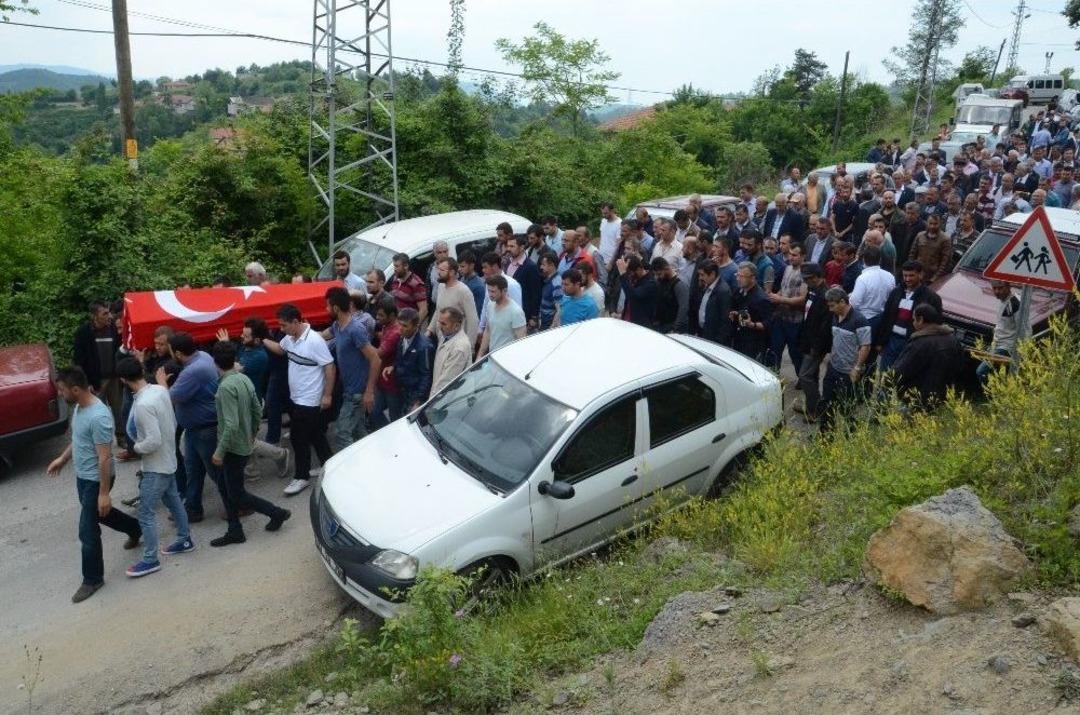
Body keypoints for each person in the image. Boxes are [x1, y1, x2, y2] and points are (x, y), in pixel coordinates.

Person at [48, 366, 142, 603]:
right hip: (84, 477)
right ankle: (135, 528)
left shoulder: (99, 417)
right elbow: (78, 439)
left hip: (96, 480)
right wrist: (63, 458)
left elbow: (105, 457)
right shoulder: (79, 406)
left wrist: (103, 494)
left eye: (61, 390)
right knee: (101, 515)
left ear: (76, 389)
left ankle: (92, 579)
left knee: (88, 530)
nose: (60, 394)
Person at [208, 341, 292, 547]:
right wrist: (252, 431)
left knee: (236, 494)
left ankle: (276, 513)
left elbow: (230, 424)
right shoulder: (242, 378)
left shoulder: (226, 387)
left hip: (232, 448)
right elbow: (256, 407)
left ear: (215, 363)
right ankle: (235, 529)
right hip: (243, 442)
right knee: (224, 487)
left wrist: (219, 452)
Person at [116, 357, 193, 578]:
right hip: (169, 459)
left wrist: (136, 448)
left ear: (123, 380)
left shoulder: (142, 405)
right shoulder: (160, 390)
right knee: (174, 501)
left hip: (155, 466)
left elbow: (152, 440)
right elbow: (172, 422)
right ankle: (184, 539)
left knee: (145, 513)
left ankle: (150, 559)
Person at [263, 304, 335, 497]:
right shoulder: (290, 338)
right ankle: (329, 464)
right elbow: (279, 349)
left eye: (284, 325)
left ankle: (301, 476)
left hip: (309, 399)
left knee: (298, 437)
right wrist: (262, 337)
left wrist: (327, 395)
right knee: (315, 434)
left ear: (296, 322)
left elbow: (329, 367)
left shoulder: (314, 341)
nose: (281, 329)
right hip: (297, 397)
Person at [157, 332, 218, 523]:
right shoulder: (203, 357)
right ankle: (192, 509)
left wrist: (161, 383)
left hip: (205, 428)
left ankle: (241, 504)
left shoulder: (193, 371)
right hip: (194, 429)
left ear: (178, 353)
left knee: (216, 472)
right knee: (193, 470)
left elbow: (168, 399)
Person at [324, 287, 381, 454]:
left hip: (357, 392)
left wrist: (369, 392)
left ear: (335, 308)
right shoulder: (337, 326)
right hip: (350, 390)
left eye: (327, 306)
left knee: (342, 433)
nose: (325, 310)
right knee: (358, 430)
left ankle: (352, 468)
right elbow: (321, 335)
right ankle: (371, 460)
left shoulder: (355, 329)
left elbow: (375, 359)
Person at [818, 288, 872, 431]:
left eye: (832, 306)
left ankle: (851, 434)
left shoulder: (860, 321)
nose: (830, 310)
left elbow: (865, 346)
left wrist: (857, 368)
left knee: (846, 406)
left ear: (842, 301)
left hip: (848, 373)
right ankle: (825, 434)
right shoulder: (836, 316)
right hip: (833, 368)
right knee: (826, 403)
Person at [890, 304, 962, 408]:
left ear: (921, 320)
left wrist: (887, 381)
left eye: (914, 319)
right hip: (941, 399)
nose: (913, 323)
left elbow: (899, 371)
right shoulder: (953, 341)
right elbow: (959, 367)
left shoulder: (920, 344)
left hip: (915, 399)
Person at [875, 260, 943, 370]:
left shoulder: (932, 298)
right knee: (885, 376)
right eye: (905, 275)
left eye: (911, 275)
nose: (907, 279)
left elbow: (936, 325)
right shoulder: (896, 292)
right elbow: (886, 317)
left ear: (920, 275)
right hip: (892, 341)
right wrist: (880, 341)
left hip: (913, 344)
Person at [73, 301, 123, 441]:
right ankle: (101, 441)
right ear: (95, 316)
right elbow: (79, 360)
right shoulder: (83, 332)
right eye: (105, 313)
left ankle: (122, 437)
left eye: (109, 312)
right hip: (95, 381)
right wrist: (85, 382)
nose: (110, 316)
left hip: (114, 378)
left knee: (118, 409)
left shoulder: (115, 329)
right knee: (96, 413)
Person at [795, 263, 831, 421]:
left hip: (816, 344)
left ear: (817, 277)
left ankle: (816, 409)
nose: (805, 282)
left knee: (805, 376)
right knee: (813, 375)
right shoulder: (812, 290)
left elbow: (825, 327)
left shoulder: (825, 295)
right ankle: (811, 406)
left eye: (808, 279)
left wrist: (817, 348)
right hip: (808, 339)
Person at [384, 307, 434, 411]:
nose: (400, 329)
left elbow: (426, 375)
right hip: (402, 389)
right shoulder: (403, 337)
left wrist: (418, 401)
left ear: (416, 326)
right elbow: (400, 358)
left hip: (413, 394)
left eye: (405, 326)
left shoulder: (424, 347)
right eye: (399, 324)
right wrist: (393, 366)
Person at [767, 243, 807, 372]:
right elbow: (783, 288)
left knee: (795, 353)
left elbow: (802, 299)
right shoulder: (788, 268)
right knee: (774, 351)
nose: (791, 257)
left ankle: (803, 378)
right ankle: (774, 378)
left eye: (795, 255)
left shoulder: (805, 273)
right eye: (790, 254)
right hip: (780, 317)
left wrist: (780, 299)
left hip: (795, 320)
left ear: (803, 256)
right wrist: (774, 296)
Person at [977, 280, 1023, 384]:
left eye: (1000, 288)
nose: (997, 291)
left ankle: (992, 394)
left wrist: (1021, 350)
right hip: (997, 344)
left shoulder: (1015, 303)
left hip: (1007, 347)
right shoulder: (1003, 301)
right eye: (994, 288)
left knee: (981, 371)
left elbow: (1025, 328)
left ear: (1008, 287)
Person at [729, 263, 773, 363]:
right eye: (737, 275)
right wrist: (735, 314)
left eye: (742, 276)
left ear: (752, 278)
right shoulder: (738, 291)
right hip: (738, 339)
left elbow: (768, 324)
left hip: (753, 345)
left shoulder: (761, 299)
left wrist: (751, 324)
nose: (738, 279)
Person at [429, 256, 480, 343]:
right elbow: (438, 310)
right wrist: (430, 330)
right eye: (438, 269)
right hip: (441, 339)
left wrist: (470, 346)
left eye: (442, 270)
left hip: (457, 343)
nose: (438, 272)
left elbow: (473, 320)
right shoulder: (441, 287)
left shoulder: (463, 291)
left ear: (452, 272)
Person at [848, 245, 896, 337]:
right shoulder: (890, 276)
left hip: (865, 320)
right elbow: (891, 298)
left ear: (864, 259)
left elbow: (854, 302)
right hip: (883, 319)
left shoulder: (863, 278)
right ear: (880, 259)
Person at [371, 301, 403, 429]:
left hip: (392, 383)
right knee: (375, 412)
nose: (377, 318)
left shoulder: (395, 333)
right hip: (383, 381)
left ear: (392, 316)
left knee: (395, 418)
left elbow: (379, 353)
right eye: (377, 315)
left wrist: (361, 343)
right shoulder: (387, 327)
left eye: (381, 315)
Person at [478, 275, 527, 356]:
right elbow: (488, 331)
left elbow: (521, 341)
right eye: (488, 291)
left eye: (493, 291)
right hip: (493, 356)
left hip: (508, 359)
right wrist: (479, 355)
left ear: (504, 291)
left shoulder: (516, 312)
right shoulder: (490, 305)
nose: (490, 294)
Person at [430, 307, 473, 397]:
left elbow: (446, 381)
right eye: (439, 322)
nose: (439, 326)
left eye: (443, 324)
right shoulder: (446, 335)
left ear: (456, 326)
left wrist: (431, 403)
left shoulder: (459, 348)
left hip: (445, 399)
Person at [503, 236, 542, 331]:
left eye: (512, 246)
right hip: (508, 311)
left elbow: (536, 293)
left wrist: (534, 317)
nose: (508, 249)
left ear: (522, 247)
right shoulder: (508, 262)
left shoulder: (530, 267)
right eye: (508, 246)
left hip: (524, 314)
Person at [690, 261, 733, 345]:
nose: (700, 278)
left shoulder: (723, 291)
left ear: (712, 274)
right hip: (703, 333)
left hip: (713, 340)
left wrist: (718, 341)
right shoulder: (706, 285)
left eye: (702, 275)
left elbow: (725, 320)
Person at [908, 213, 952, 283]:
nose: (932, 226)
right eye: (930, 223)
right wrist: (912, 272)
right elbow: (912, 254)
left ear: (940, 224)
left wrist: (934, 279)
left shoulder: (945, 239)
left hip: (932, 278)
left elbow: (945, 263)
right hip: (917, 275)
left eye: (935, 224)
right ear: (927, 223)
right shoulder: (920, 236)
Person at [616, 254, 658, 327]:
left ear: (639, 269)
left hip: (641, 327)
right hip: (627, 321)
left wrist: (623, 274)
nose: (629, 277)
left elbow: (633, 295)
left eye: (631, 274)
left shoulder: (651, 283)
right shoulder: (634, 279)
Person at [650, 257, 688, 334]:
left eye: (659, 274)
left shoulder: (679, 284)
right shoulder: (661, 281)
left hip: (671, 327)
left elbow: (683, 308)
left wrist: (675, 328)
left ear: (666, 268)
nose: (658, 277)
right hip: (660, 325)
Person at [388, 253, 429, 325]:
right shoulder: (395, 278)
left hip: (407, 327)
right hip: (395, 324)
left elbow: (424, 310)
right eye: (394, 266)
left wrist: (413, 327)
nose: (395, 269)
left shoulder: (416, 284)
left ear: (406, 266)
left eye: (397, 266)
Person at [457, 251, 486, 318]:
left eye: (462, 266)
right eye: (459, 266)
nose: (459, 269)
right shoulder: (462, 279)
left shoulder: (478, 286)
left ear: (472, 265)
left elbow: (479, 311)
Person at [598, 201, 622, 272]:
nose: (603, 215)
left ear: (612, 211)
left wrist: (611, 263)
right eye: (602, 213)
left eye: (605, 213)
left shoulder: (619, 224)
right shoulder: (603, 221)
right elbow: (601, 238)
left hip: (610, 261)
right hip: (600, 259)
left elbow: (618, 245)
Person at [428, 240, 450, 305]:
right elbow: (428, 287)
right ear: (435, 254)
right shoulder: (432, 267)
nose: (443, 255)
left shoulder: (453, 266)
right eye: (439, 252)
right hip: (435, 305)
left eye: (445, 251)